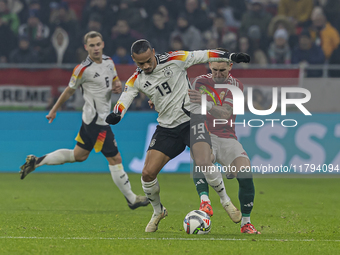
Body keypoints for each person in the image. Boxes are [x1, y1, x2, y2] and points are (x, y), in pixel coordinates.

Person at [106, 39, 250, 232]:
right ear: (134, 60)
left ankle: (225, 201)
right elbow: (125, 99)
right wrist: (117, 113)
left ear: (154, 52)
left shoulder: (175, 59)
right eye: (141, 63)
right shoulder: (136, 80)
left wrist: (230, 56)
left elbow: (205, 54)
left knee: (204, 160)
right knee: (147, 174)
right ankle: (158, 211)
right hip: (166, 128)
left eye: (149, 60)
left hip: (191, 120)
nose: (146, 66)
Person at [19, 31, 149, 211]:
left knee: (78, 155)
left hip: (94, 120)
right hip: (97, 122)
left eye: (98, 44)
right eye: (91, 45)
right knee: (115, 158)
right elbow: (69, 90)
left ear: (102, 44)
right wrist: (54, 110)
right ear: (86, 47)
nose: (95, 48)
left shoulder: (109, 62)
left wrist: (117, 85)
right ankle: (132, 199)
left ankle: (37, 161)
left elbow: (113, 80)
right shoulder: (82, 69)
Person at [188, 50, 260, 234]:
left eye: (222, 71)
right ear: (209, 67)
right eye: (215, 70)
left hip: (227, 137)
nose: (218, 75)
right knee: (200, 158)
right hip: (205, 133)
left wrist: (207, 102)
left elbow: (226, 112)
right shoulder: (199, 82)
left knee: (245, 173)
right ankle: (205, 202)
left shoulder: (236, 86)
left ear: (230, 66)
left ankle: (246, 223)